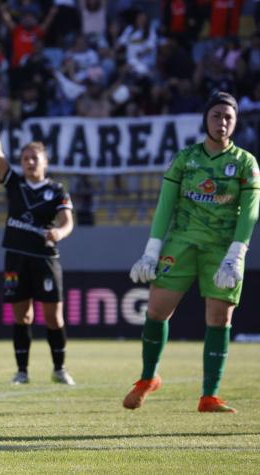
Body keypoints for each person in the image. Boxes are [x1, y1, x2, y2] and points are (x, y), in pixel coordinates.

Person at [125, 91, 260, 413]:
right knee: (156, 310)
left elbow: (250, 212)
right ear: (206, 119)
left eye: (229, 117)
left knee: (219, 319)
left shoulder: (245, 163)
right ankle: (147, 378)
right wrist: (151, 251)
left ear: (236, 122)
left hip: (221, 250)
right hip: (181, 243)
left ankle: (209, 396)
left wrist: (236, 254)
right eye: (216, 116)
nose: (222, 123)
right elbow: (165, 205)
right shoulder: (185, 159)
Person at [0, 93, 76, 386]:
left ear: (45, 161)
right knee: (22, 316)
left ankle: (59, 368)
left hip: (46, 257)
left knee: (53, 317)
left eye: (34, 158)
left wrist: (59, 232)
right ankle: (21, 371)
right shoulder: (14, 183)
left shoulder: (57, 190)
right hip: (16, 255)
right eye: (25, 158)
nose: (29, 162)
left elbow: (67, 220)